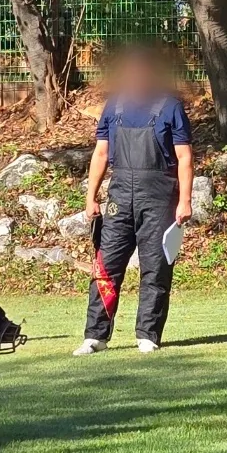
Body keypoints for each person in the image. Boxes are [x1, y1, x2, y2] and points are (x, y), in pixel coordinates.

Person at [74, 44, 194, 356]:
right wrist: (91, 197)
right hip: (118, 197)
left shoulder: (170, 107)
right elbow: (100, 154)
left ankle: (148, 334)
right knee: (106, 266)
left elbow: (184, 158)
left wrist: (185, 201)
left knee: (155, 268)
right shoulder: (114, 107)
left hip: (158, 197)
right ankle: (95, 336)